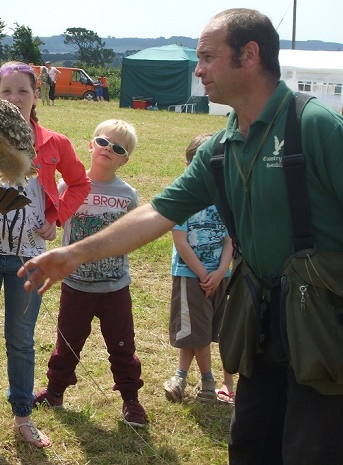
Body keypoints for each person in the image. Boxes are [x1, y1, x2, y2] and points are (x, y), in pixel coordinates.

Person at [19, 9, 343, 465]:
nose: (198, 69)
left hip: (323, 329)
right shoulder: (219, 149)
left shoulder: (316, 128)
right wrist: (73, 253)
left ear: (249, 55)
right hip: (261, 323)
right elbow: (157, 213)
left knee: (312, 449)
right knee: (250, 445)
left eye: (208, 57)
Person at [0, 61, 90, 448]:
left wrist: (56, 215)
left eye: (23, 91)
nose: (15, 99)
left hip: (30, 257)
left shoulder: (54, 142)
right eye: (6, 92)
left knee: (20, 339)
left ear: (36, 95)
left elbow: (80, 183)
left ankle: (22, 415)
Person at [32, 119, 147, 427]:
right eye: (103, 142)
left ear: (125, 159)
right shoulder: (67, 187)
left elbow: (131, 234)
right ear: (90, 145)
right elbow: (55, 224)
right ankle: (55, 391)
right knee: (67, 343)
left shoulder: (127, 196)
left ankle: (131, 400)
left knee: (122, 346)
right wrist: (49, 231)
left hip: (114, 288)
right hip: (76, 286)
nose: (108, 149)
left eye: (118, 148)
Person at [163, 133, 234, 404]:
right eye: (197, 161)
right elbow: (180, 242)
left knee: (201, 330)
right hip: (191, 276)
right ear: (187, 164)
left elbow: (230, 241)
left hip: (220, 277)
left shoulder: (227, 199)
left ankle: (180, 376)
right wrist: (204, 274)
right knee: (199, 331)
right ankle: (207, 384)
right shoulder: (184, 198)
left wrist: (219, 272)